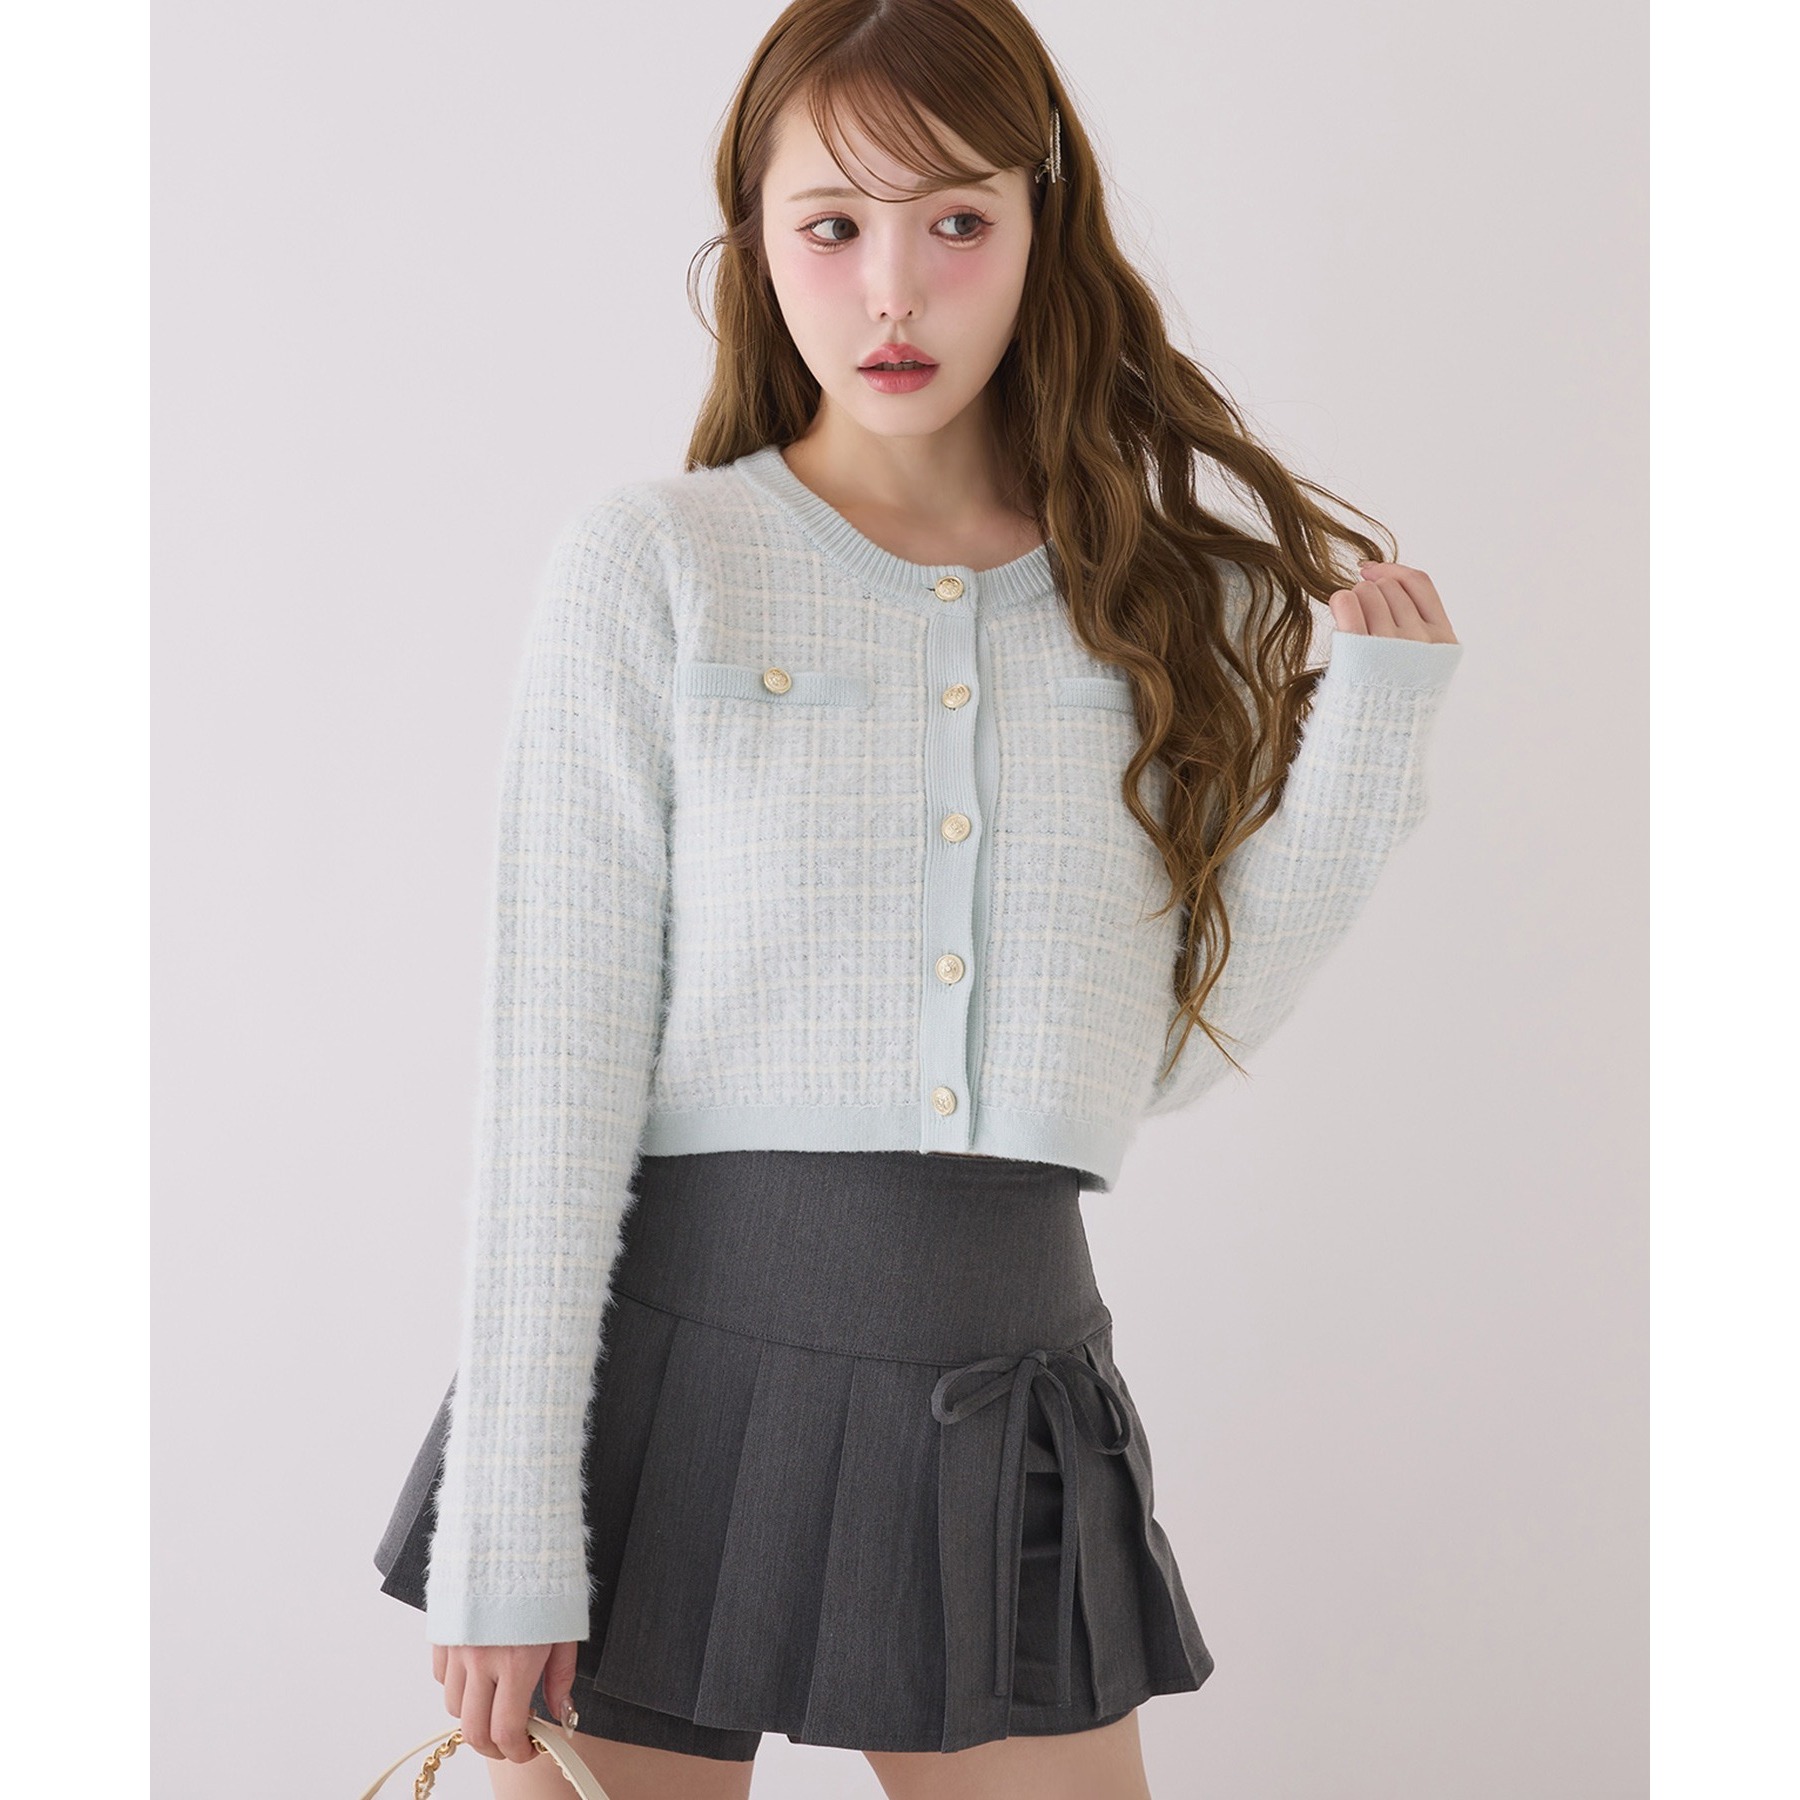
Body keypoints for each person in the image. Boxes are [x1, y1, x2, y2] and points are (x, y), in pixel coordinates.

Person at [371, 2, 1465, 1795]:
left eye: (957, 219)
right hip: (660, 1397)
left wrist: (1369, 757)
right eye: (834, 225)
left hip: (1005, 1392)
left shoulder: (1154, 608)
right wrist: (508, 1528)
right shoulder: (660, 567)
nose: (894, 290)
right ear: (755, 241)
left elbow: (1155, 1065)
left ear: (1042, 226)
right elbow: (551, 1080)